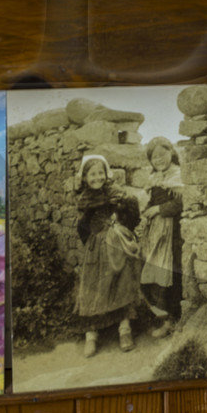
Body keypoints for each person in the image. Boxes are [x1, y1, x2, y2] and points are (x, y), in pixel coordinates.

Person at [73, 153, 144, 357]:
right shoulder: (84, 200)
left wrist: (121, 230)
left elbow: (132, 212)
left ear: (106, 174)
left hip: (117, 245)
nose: (97, 178)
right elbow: (82, 228)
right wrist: (94, 243)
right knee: (92, 287)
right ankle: (91, 335)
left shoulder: (116, 193)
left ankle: (124, 329)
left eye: (100, 173)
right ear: (85, 178)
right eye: (92, 174)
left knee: (121, 282)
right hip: (95, 248)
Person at [137, 137, 184, 337]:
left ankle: (172, 321)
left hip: (172, 234)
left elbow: (181, 204)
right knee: (152, 272)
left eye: (162, 154)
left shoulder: (178, 176)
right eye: (154, 157)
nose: (158, 159)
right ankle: (161, 316)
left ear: (171, 153)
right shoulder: (154, 178)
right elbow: (149, 203)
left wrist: (158, 209)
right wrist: (147, 212)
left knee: (170, 275)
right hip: (156, 234)